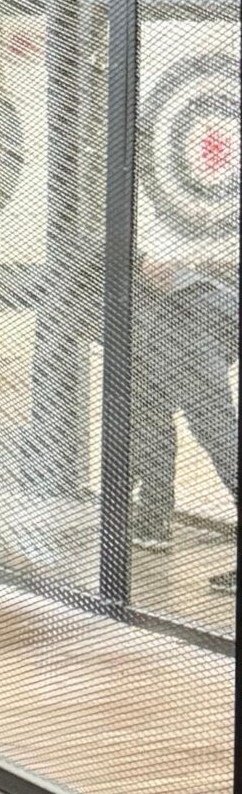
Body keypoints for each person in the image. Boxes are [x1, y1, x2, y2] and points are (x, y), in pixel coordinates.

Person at [131, 254, 238, 594]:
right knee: (150, 415)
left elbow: (158, 263)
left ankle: (152, 520)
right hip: (183, 309)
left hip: (184, 308)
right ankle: (152, 521)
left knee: (217, 431)